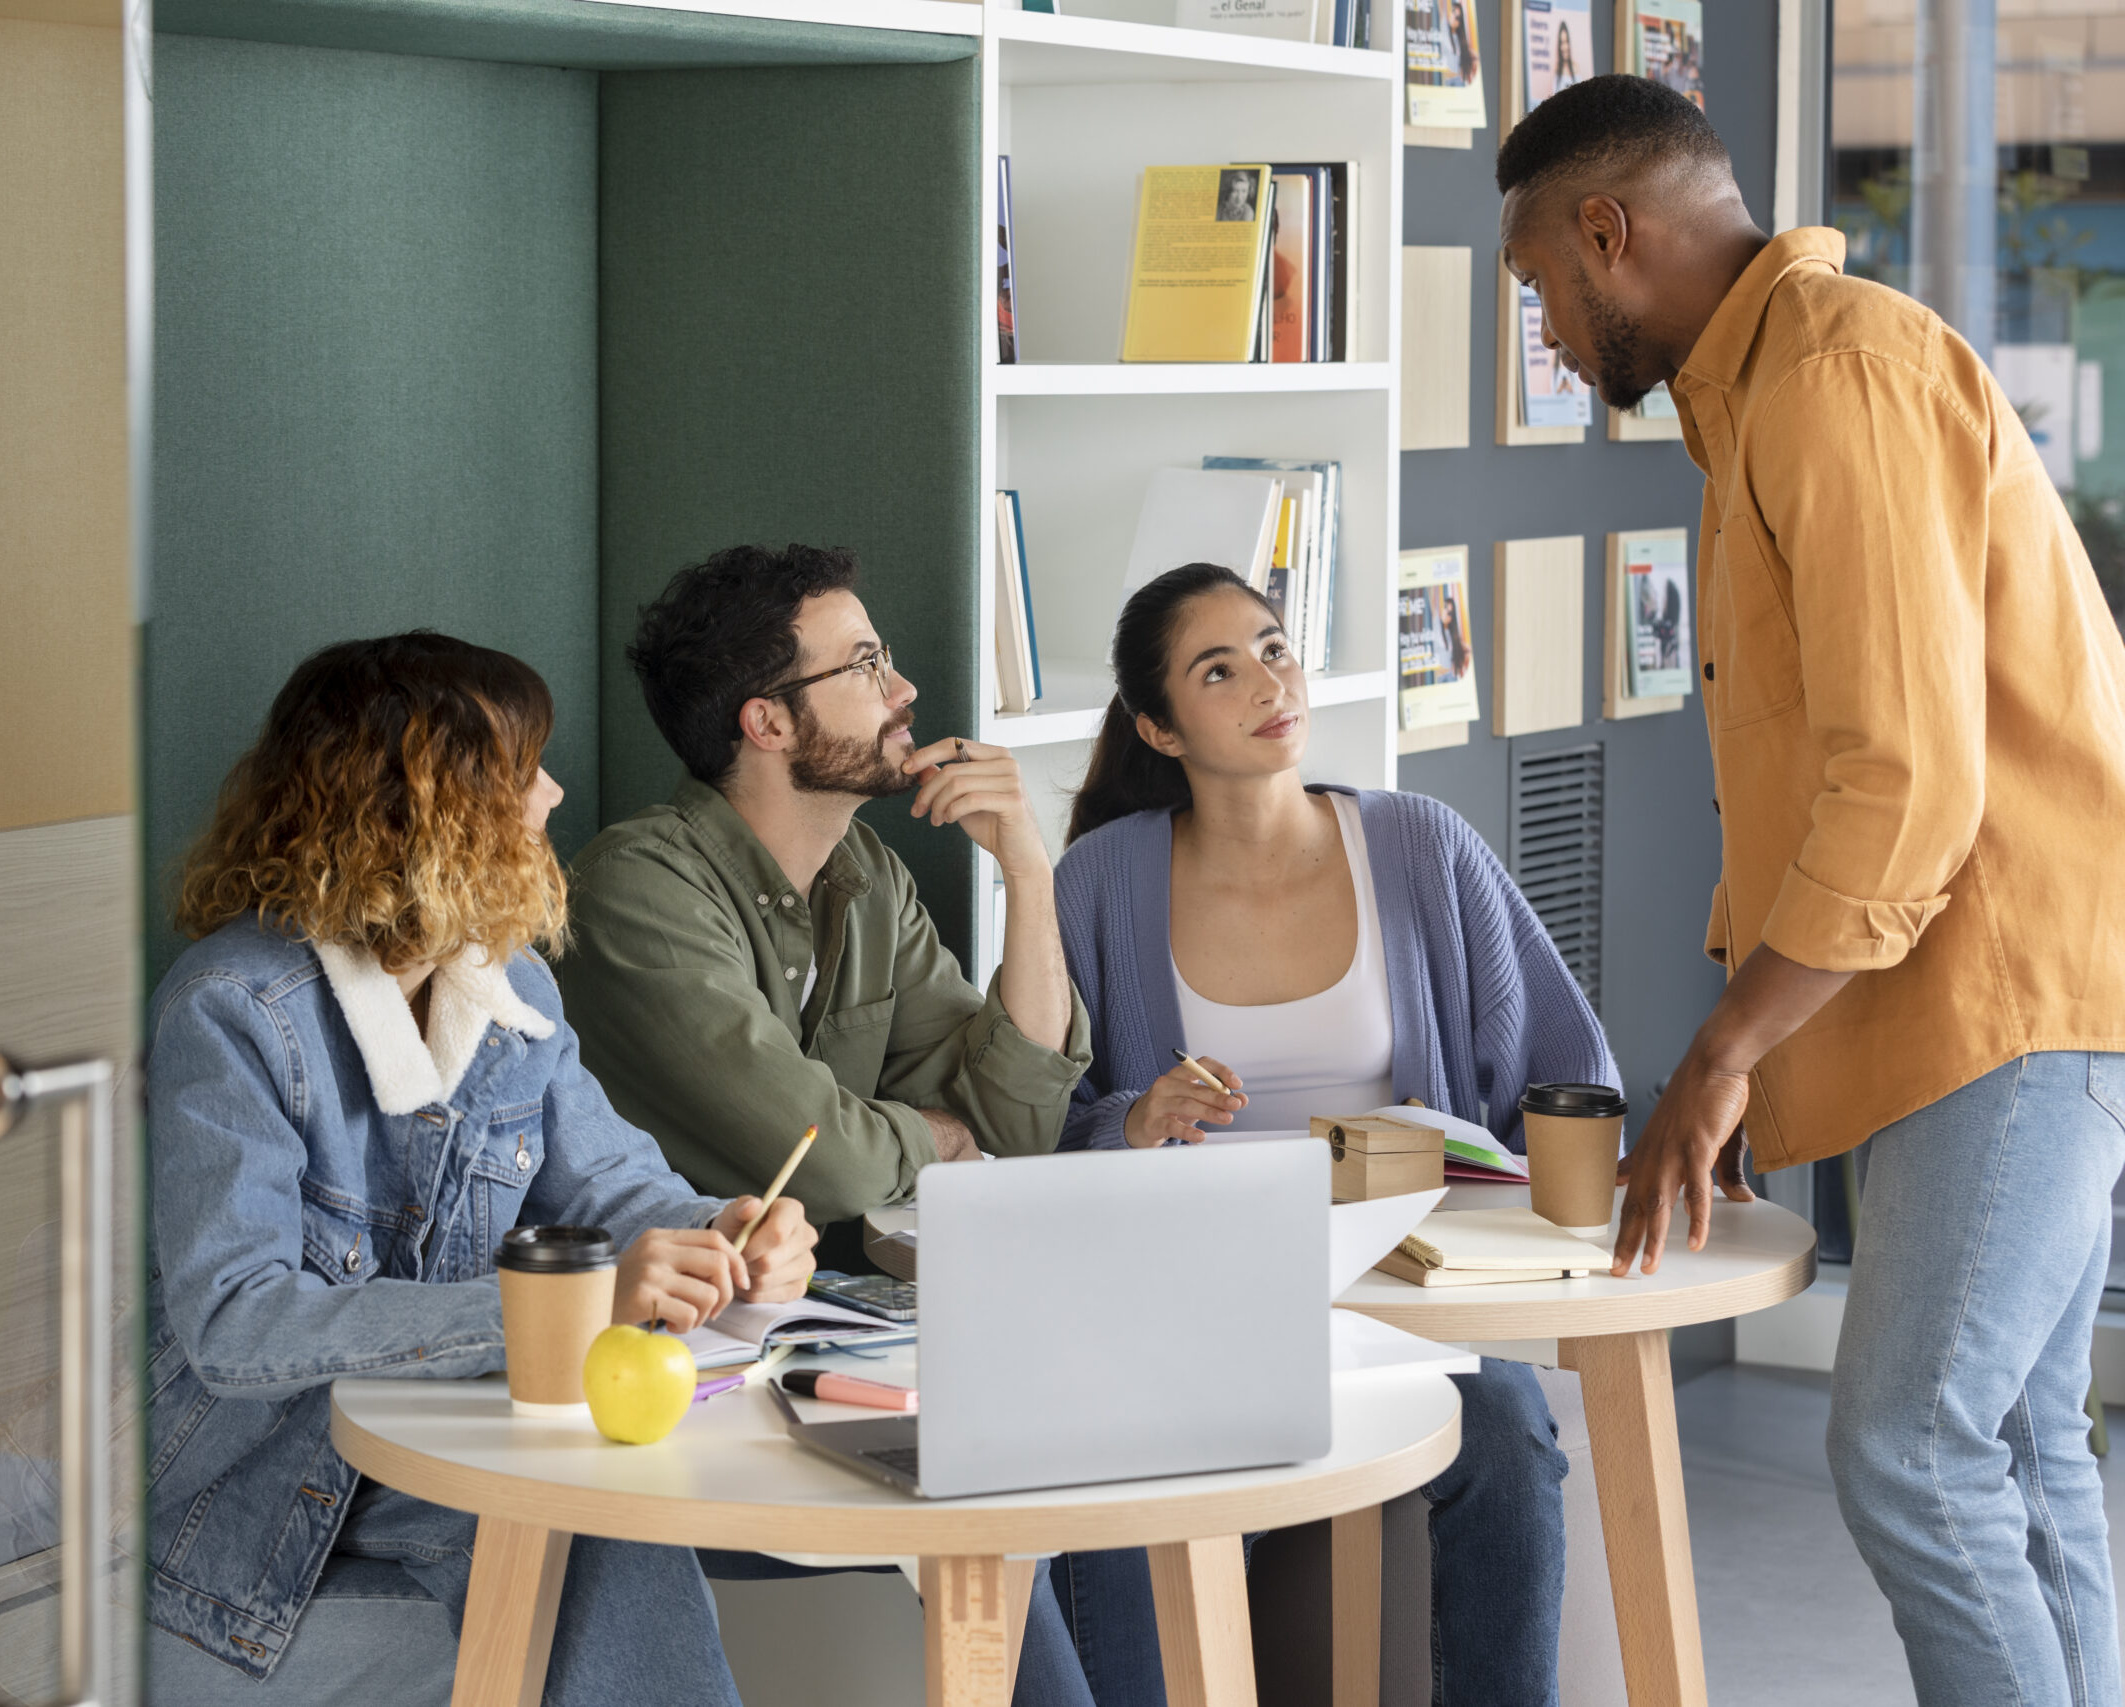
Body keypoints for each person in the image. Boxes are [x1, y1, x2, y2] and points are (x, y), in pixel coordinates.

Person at [1497, 75, 2125, 1704]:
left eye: (1542, 295)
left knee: (1913, 1443)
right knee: (2020, 1442)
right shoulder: (1772, 390)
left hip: (2000, 993)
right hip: (1980, 990)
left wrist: (1721, 1054)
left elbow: (1902, 782)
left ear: (1607, 235)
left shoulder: (1838, 375)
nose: (1552, 338)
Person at [136, 632, 820, 1705]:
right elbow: (237, 1322)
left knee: (601, 1515)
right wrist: (570, 1306)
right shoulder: (231, 1010)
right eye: (520, 771)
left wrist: (721, 1232)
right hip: (258, 1489)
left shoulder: (507, 993)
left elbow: (610, 1188)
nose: (551, 793)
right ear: (421, 804)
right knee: (587, 1520)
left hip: (435, 1445)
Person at [555, 544, 1166, 1707]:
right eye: (867, 666)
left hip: (861, 1342)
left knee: (1122, 1446)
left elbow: (1016, 1118)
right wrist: (930, 1135)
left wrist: (1029, 875)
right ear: (768, 724)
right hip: (700, 1384)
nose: (906, 696)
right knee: (1004, 1489)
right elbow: (826, 1160)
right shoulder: (638, 890)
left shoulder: (869, 878)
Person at [1049, 563, 1609, 1707]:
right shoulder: (1097, 881)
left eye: (1271, 647)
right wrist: (1135, 1117)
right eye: (1219, 670)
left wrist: (1496, 1179)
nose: (1268, 680)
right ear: (1159, 727)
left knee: (1505, 1430)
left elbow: (1565, 1068)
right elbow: (1041, 1119)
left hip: (1402, 1287)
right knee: (1121, 1494)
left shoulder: (1418, 846)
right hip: (1189, 1301)